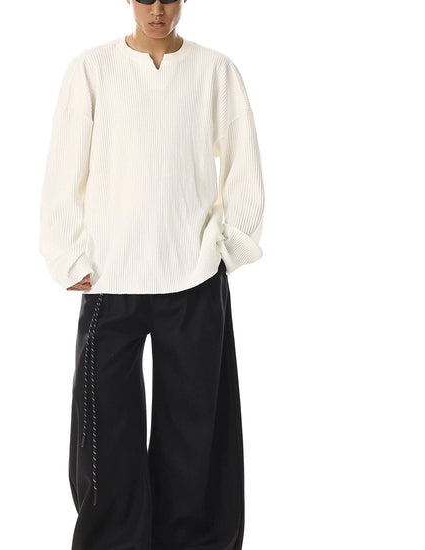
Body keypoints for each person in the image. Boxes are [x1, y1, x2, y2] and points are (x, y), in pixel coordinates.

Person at [39, 1, 265, 548]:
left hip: (194, 272)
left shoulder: (215, 71)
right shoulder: (92, 69)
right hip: (110, 274)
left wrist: (230, 245)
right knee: (104, 431)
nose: (157, 10)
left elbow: (243, 161)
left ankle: (192, 541)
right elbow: (66, 162)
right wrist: (65, 253)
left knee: (196, 426)